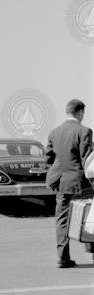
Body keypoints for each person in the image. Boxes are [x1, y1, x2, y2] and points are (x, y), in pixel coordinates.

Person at [45, 99, 93, 268]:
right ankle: (92, 252)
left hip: (61, 182)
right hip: (81, 183)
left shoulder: (54, 132)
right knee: (90, 216)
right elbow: (87, 160)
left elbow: (48, 157)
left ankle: (63, 258)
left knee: (62, 218)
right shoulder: (84, 131)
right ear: (79, 113)